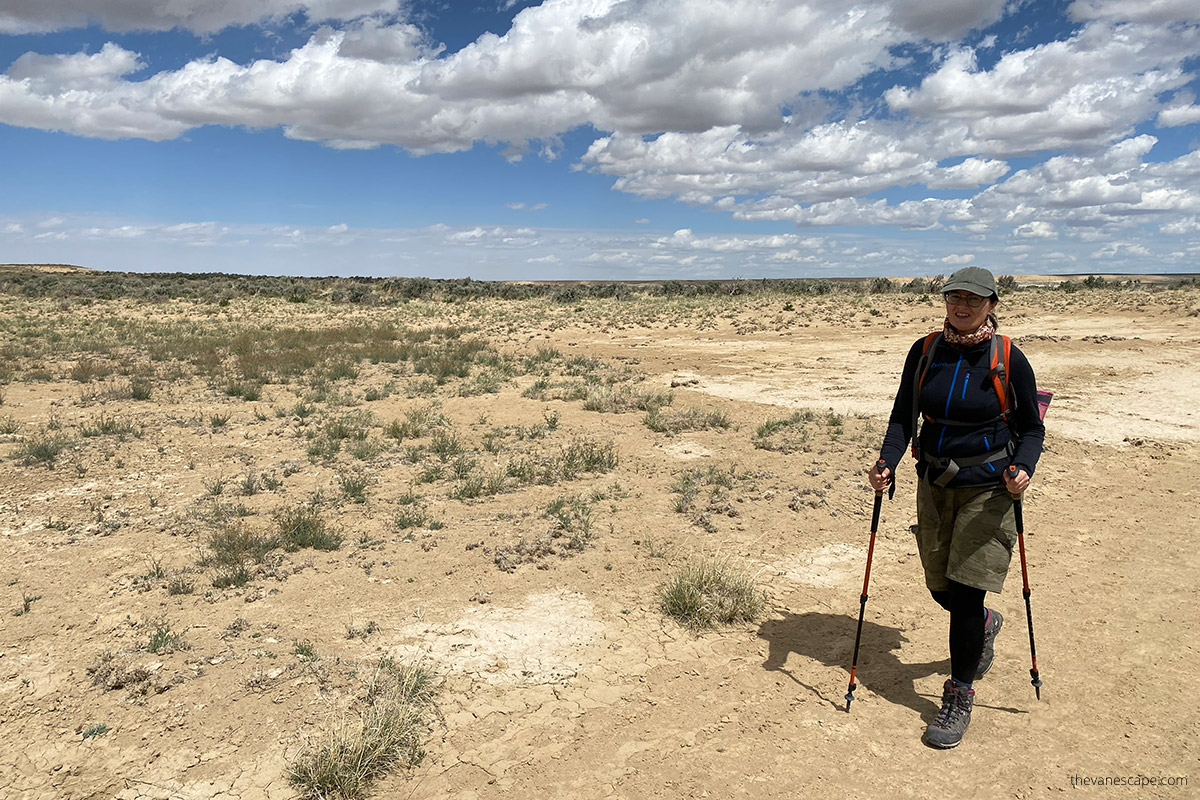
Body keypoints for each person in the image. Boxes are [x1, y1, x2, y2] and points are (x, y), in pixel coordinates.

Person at [867, 266, 1044, 749]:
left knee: (966, 593)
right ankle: (985, 624)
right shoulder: (925, 351)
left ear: (992, 304)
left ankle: (958, 693)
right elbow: (904, 415)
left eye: (973, 298)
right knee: (940, 584)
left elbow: (1032, 428)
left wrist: (1023, 466)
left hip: (989, 487)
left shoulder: (1009, 358)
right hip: (935, 483)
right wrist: (887, 460)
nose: (961, 306)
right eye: (953, 297)